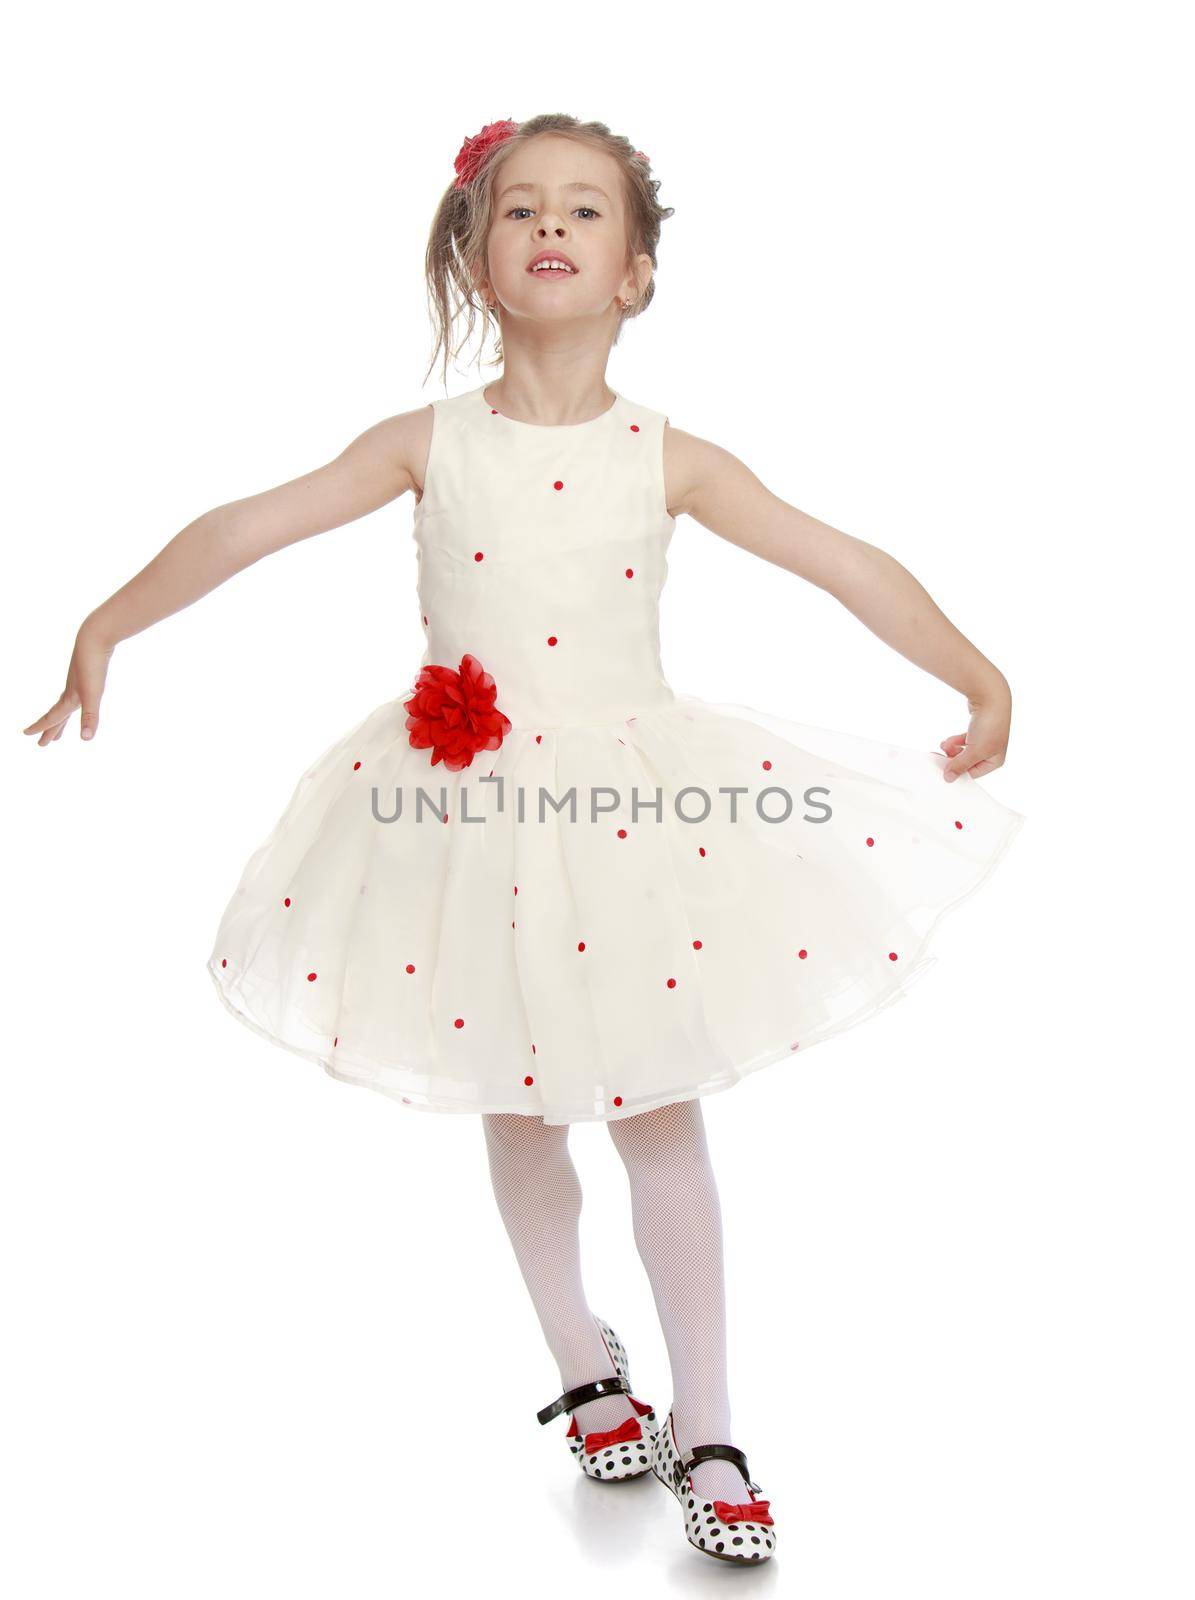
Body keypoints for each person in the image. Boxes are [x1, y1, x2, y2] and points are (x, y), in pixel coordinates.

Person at [22, 112, 1024, 1565]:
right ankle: (578, 1358)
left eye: (587, 212)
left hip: (630, 822)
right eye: (520, 211)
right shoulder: (423, 445)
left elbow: (842, 560)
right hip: (461, 818)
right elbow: (248, 524)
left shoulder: (670, 457)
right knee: (516, 1098)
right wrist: (106, 620)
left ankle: (716, 1421)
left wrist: (975, 670)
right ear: (479, 258)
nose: (551, 227)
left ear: (637, 271)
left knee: (657, 1108)